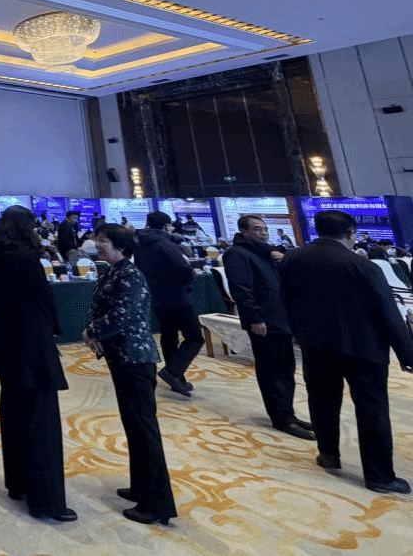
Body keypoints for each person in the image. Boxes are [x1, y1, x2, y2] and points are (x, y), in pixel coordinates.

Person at [280, 210, 413, 494]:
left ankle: (328, 454)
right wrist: (407, 354)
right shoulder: (362, 265)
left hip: (316, 346)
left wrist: (298, 334)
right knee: (372, 410)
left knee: (321, 401)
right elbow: (387, 313)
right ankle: (379, 476)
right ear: (351, 234)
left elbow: (286, 300)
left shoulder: (293, 259)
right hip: (363, 349)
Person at [83, 223, 177, 526]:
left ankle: (157, 504)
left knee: (144, 428)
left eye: (103, 240)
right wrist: (96, 331)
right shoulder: (112, 272)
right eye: (97, 239)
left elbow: (122, 315)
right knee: (133, 426)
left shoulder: (130, 275)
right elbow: (102, 309)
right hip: (121, 358)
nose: (98, 244)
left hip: (135, 358)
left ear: (121, 246)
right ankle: (141, 487)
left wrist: (92, 332)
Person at [0, 205, 74, 522]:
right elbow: (44, 297)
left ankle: (18, 483)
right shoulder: (26, 259)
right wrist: (55, 329)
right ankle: (46, 501)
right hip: (32, 342)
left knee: (13, 412)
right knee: (41, 420)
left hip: (7, 339)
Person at [222, 214, 314, 439]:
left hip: (281, 318)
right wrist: (254, 318)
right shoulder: (237, 253)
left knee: (286, 369)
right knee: (271, 371)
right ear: (244, 231)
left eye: (265, 229)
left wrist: (284, 260)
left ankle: (289, 413)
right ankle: (281, 418)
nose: (263, 233)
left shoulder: (267, 253)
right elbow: (241, 289)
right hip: (263, 320)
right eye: (257, 229)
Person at [136, 211, 202, 396]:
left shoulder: (140, 245)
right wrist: (190, 276)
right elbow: (182, 269)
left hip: (157, 297)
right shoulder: (166, 244)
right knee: (195, 337)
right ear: (166, 226)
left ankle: (176, 378)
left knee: (169, 336)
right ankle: (173, 371)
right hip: (177, 297)